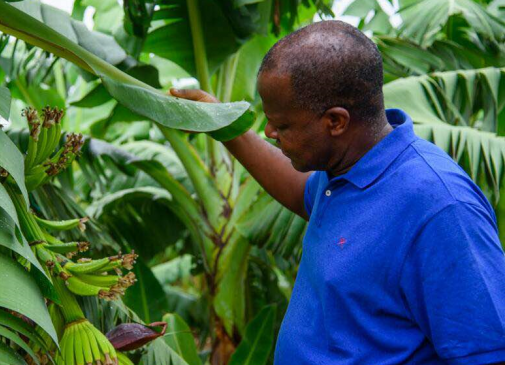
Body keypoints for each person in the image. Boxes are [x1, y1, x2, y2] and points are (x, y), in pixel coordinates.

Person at [170, 20, 505, 365]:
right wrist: (221, 123)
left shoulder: (440, 208)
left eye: (282, 125)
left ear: (335, 121)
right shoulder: (345, 171)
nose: (269, 131)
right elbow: (299, 190)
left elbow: (486, 351)